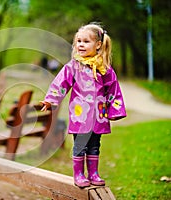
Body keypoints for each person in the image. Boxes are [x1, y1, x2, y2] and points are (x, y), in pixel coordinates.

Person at [40, 23, 126, 188]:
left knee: (94, 145)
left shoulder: (104, 69)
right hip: (80, 115)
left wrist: (115, 110)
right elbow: (60, 84)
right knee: (80, 145)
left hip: (98, 116)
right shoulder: (73, 67)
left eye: (86, 41)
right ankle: (78, 174)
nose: (80, 44)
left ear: (98, 45)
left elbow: (113, 91)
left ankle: (93, 173)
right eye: (78, 41)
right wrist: (51, 100)